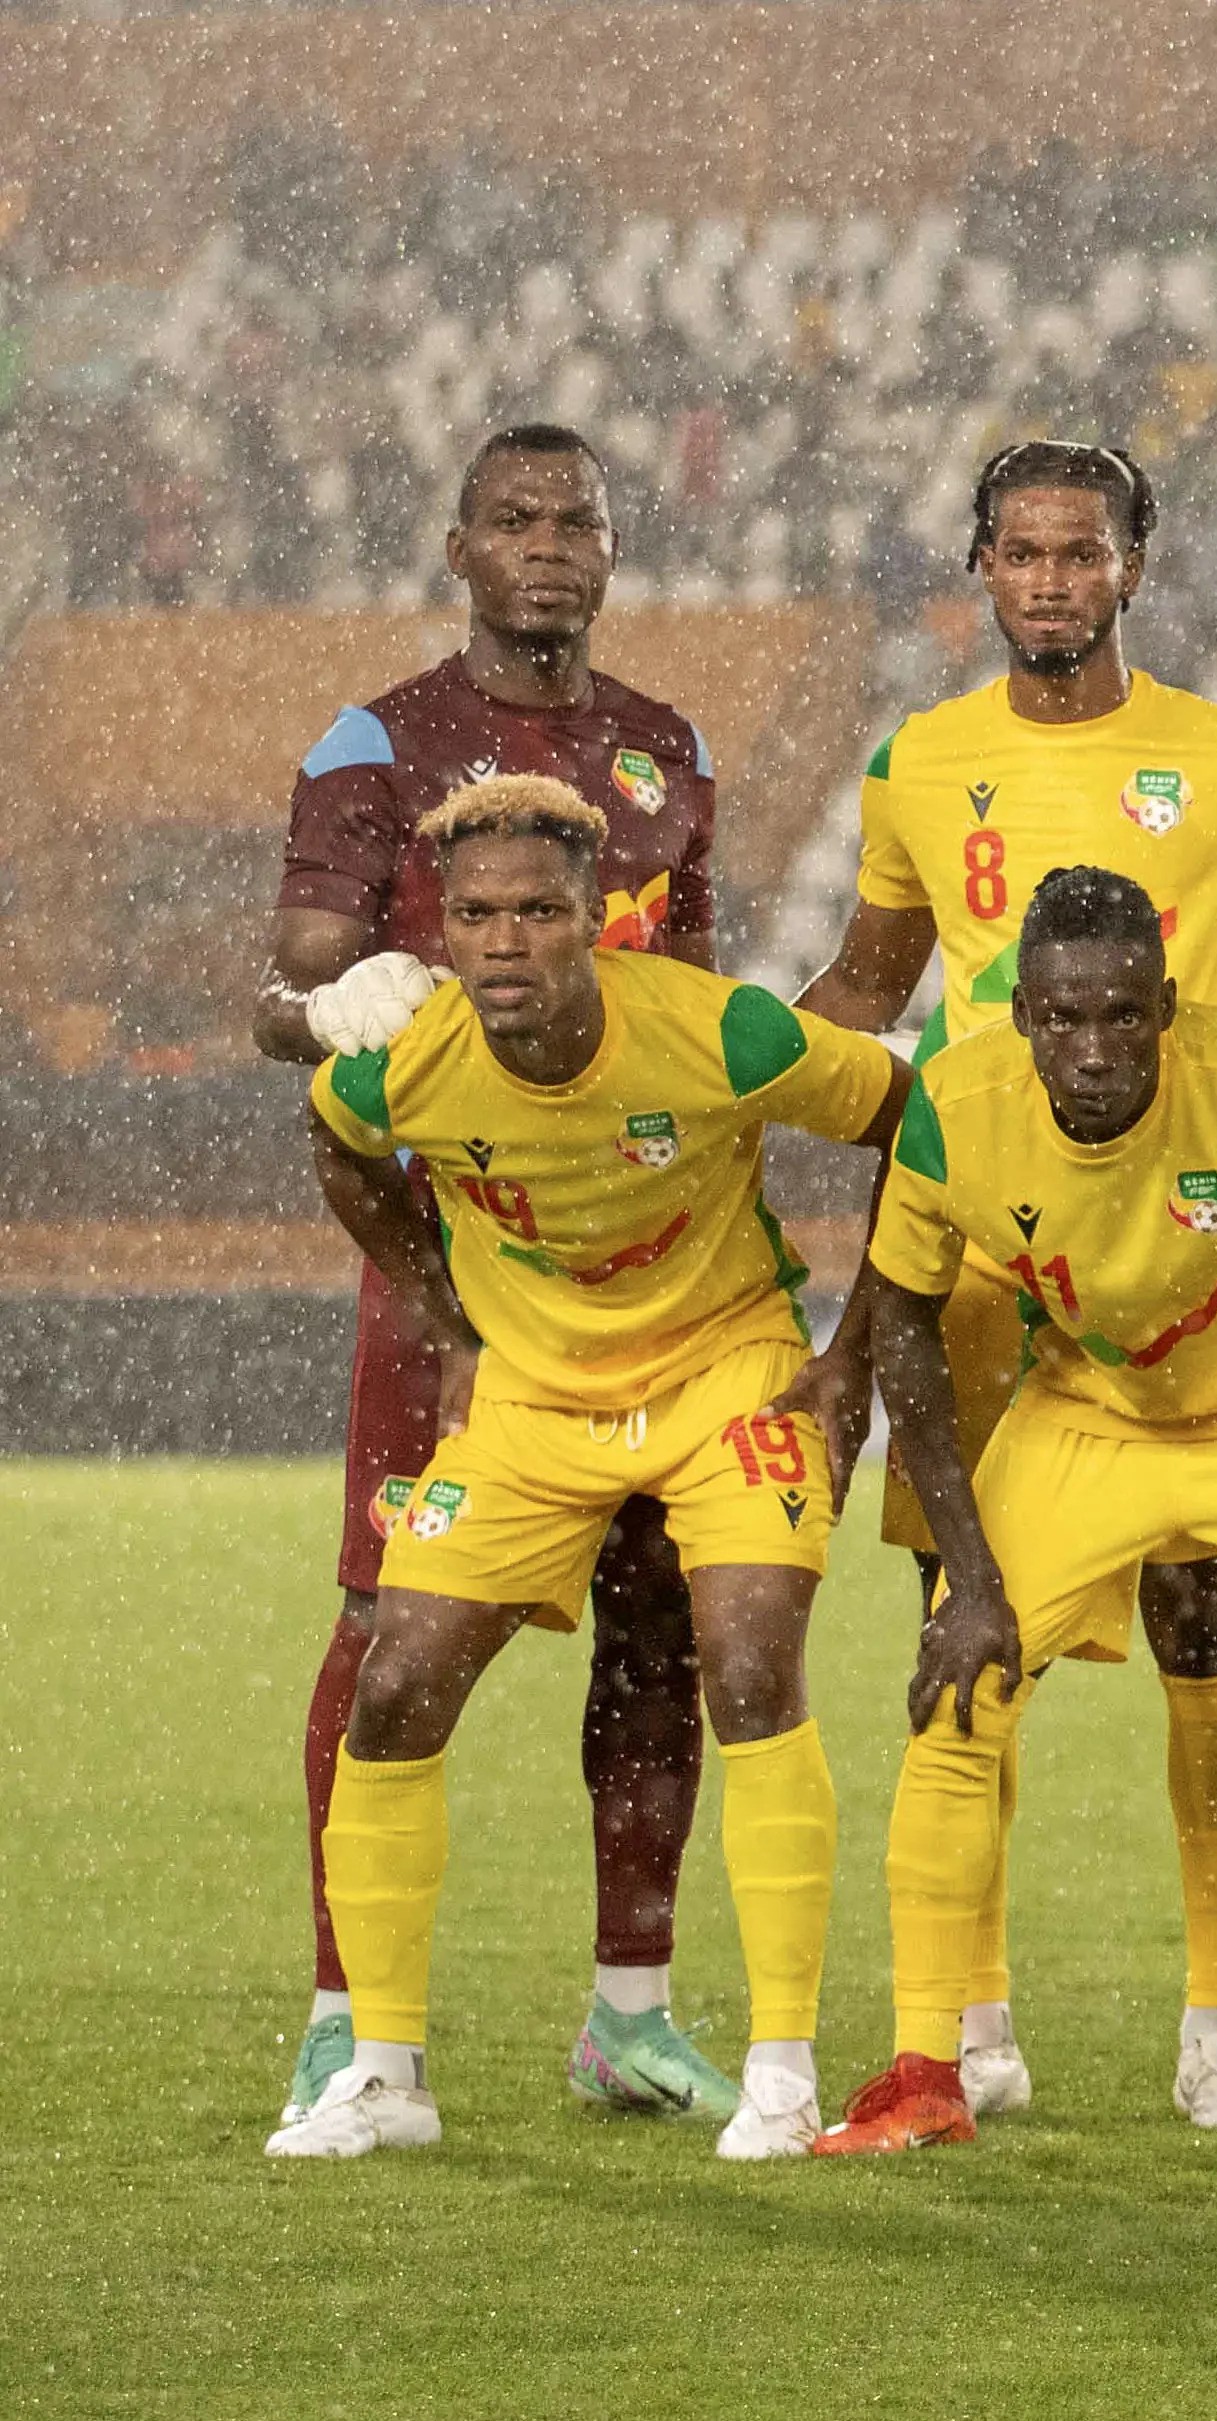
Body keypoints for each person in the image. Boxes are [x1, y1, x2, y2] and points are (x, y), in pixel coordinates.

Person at [791, 439, 1217, 2129]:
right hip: (990, 1243)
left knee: (1205, 1620)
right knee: (967, 1626)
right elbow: (863, 991)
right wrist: (699, 1048)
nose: (1051, 579)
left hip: (1194, 1242)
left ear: (1135, 565)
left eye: (1082, 552)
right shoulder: (919, 764)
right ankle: (973, 2024)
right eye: (1022, 551)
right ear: (980, 567)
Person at [269, 776, 907, 2161]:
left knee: (748, 1663)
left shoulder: (721, 1029)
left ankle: (784, 2073)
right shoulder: (408, 1063)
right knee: (395, 1684)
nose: (503, 942)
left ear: (596, 914)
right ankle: (382, 2076)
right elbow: (334, 1136)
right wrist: (445, 1318)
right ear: (443, 927)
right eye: (475, 915)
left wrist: (857, 1349)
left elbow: (913, 1119)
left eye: (538, 912)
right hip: (537, 1397)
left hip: (727, 1370)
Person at [816, 867, 1217, 2158]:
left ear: (1167, 1008)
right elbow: (901, 1319)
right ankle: (925, 2075)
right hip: (1092, 1410)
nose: (1094, 1048)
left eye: (1123, 1015)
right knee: (957, 1692)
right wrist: (967, 1574)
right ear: (1021, 1015)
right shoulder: (952, 1108)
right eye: (1063, 1019)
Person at [253, 422, 738, 2130]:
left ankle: (631, 2013)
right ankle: (347, 2019)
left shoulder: (670, 751)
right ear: (457, 548)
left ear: (612, 550)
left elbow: (694, 1007)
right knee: (385, 1626)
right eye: (514, 520)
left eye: (576, 521)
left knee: (660, 1624)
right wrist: (342, 1002)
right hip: (452, 1270)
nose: (548, 546)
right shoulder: (377, 742)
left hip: (641, 1271)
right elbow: (285, 991)